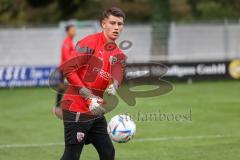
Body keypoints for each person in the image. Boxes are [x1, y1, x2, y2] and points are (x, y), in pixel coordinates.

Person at [59, 7, 127, 160]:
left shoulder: (118, 53)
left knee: (108, 152)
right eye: (113, 23)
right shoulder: (90, 42)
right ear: (104, 24)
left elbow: (118, 72)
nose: (117, 27)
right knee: (72, 155)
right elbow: (68, 69)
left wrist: (115, 84)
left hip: (95, 111)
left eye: (120, 24)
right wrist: (88, 96)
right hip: (76, 108)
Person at [53, 24, 76, 119]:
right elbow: (67, 57)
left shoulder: (70, 41)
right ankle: (58, 107)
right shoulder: (67, 42)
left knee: (66, 88)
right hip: (65, 68)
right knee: (65, 87)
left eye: (74, 30)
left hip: (67, 68)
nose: (74, 31)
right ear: (67, 31)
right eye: (72, 30)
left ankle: (61, 107)